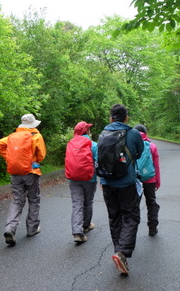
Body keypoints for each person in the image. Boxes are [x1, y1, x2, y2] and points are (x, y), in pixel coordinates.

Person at [99, 104, 144, 275]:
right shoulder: (133, 133)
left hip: (107, 182)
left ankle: (118, 250)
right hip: (126, 182)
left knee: (115, 216)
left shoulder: (103, 133)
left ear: (111, 118)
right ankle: (122, 252)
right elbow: (139, 153)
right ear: (126, 117)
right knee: (131, 216)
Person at [0, 114, 46, 247]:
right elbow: (41, 156)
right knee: (34, 199)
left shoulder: (12, 137)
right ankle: (32, 229)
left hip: (15, 173)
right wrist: (33, 160)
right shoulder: (36, 136)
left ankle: (10, 228)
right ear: (33, 124)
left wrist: (9, 158)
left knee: (17, 200)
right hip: (31, 172)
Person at [67, 121, 98, 243]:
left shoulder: (71, 143)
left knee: (77, 204)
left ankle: (77, 232)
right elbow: (97, 162)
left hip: (74, 178)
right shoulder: (93, 144)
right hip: (90, 178)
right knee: (88, 202)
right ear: (87, 131)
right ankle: (86, 225)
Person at [134, 124, 161, 236]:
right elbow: (156, 166)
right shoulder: (152, 146)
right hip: (150, 178)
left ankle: (132, 230)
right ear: (146, 133)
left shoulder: (131, 144)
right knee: (151, 203)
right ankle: (152, 227)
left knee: (134, 204)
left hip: (135, 180)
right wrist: (157, 182)